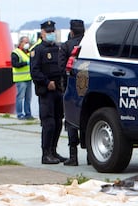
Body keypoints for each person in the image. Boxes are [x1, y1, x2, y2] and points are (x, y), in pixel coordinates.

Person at [30, 20, 67, 164]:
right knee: (48, 123)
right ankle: (45, 154)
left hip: (58, 89)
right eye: (48, 32)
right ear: (42, 33)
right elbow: (34, 71)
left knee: (58, 122)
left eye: (53, 31)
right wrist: (46, 82)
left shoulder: (58, 48)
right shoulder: (37, 50)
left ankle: (53, 151)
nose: (51, 34)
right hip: (46, 91)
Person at [58, 19, 85, 166]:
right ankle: (90, 156)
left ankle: (73, 157)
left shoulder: (66, 46)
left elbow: (62, 67)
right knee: (88, 118)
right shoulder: (88, 44)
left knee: (71, 121)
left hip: (72, 87)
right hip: (89, 86)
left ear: (71, 31)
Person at [11, 36, 33, 120]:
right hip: (20, 79)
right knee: (20, 97)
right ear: (20, 43)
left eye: (28, 42)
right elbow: (15, 64)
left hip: (28, 78)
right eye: (25, 42)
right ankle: (20, 114)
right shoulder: (15, 53)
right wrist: (25, 63)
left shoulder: (28, 52)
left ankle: (28, 114)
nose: (27, 44)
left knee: (28, 98)